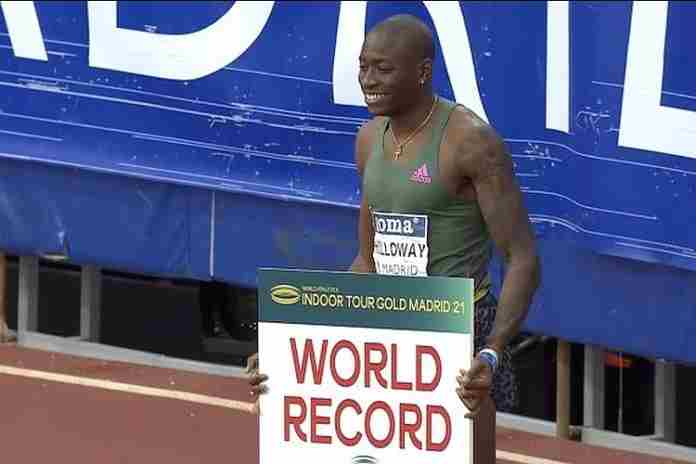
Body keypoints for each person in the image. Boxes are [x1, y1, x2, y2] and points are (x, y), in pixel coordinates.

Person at [248, 13, 540, 464]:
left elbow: (522, 258)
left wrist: (493, 351)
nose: (368, 80)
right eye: (364, 66)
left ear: (422, 72)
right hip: (384, 325)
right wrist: (289, 347)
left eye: (383, 69)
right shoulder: (368, 140)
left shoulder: (471, 142)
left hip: (455, 329)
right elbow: (368, 260)